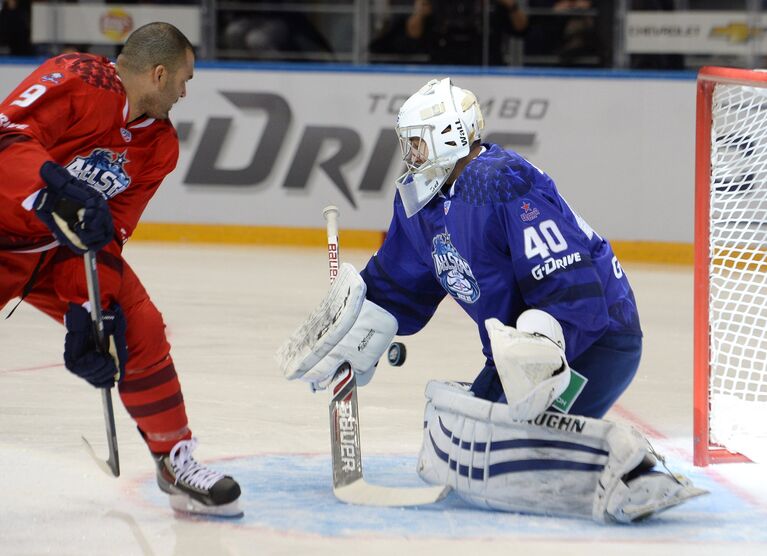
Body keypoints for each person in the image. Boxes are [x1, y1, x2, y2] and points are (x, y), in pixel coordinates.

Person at [279, 77, 706, 522]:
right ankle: (571, 439)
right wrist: (353, 329)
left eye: (417, 144)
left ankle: (632, 468)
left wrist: (538, 358)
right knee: (465, 444)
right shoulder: (420, 203)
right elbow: (397, 287)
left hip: (594, 338)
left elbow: (568, 281)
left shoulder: (499, 180)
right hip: (516, 352)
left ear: (451, 136)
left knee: (513, 453)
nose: (410, 156)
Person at [0, 22, 242, 518]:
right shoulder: (76, 77)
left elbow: (108, 235)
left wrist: (91, 311)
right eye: (184, 80)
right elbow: (5, 141)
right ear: (159, 74)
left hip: (59, 252)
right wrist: (54, 191)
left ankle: (174, 460)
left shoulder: (159, 147)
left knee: (137, 326)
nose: (184, 92)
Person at [406, 0, 528, 66]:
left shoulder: (491, 4)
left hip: (486, 66)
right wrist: (419, 13)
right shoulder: (437, 3)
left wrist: (512, 6)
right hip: (443, 65)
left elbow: (521, 29)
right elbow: (413, 34)